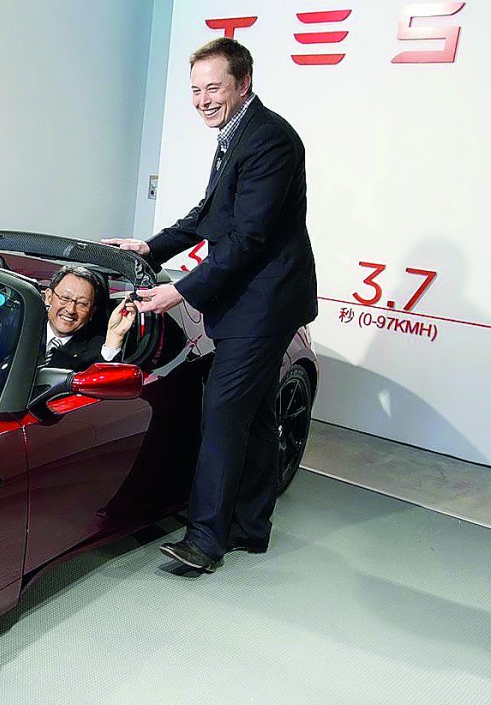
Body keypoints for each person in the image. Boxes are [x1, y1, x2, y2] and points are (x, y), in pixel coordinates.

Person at [103, 37, 317, 574]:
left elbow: (246, 239)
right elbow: (208, 214)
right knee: (258, 416)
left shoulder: (270, 141)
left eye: (213, 87)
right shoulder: (237, 133)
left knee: (222, 415)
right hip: (254, 300)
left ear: (244, 83)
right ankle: (250, 527)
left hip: (263, 306)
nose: (202, 99)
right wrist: (151, 247)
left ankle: (204, 542)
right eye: (195, 89)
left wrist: (181, 290)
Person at [0, 254, 136, 368]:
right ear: (48, 297)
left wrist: (115, 336)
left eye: (82, 304)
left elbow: (104, 390)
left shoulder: (96, 348)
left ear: (92, 311)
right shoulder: (21, 329)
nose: (70, 309)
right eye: (65, 298)